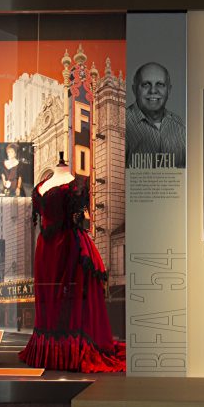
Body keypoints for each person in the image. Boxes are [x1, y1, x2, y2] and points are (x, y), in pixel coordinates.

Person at [18, 156, 125, 372]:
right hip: (46, 250)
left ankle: (70, 349)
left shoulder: (76, 184)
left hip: (68, 246)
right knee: (48, 298)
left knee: (69, 298)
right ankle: (50, 348)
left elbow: (76, 218)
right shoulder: (42, 185)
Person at [125, 62, 186, 169]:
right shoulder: (121, 124)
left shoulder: (179, 126)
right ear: (134, 90)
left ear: (169, 90)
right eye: (146, 84)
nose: (153, 90)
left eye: (160, 84)